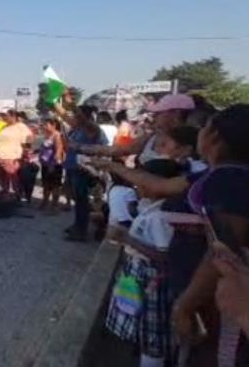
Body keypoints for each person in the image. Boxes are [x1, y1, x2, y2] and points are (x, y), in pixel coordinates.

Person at [90, 105, 249, 365]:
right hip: (200, 290)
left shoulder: (231, 179)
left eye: (206, 126)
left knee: (216, 353)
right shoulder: (215, 174)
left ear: (215, 137)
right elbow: (158, 184)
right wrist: (110, 166)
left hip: (221, 296)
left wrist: (184, 305)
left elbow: (222, 253)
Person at [105, 159, 187, 367]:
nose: (137, 185)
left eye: (142, 181)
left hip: (151, 279)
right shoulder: (154, 207)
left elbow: (165, 256)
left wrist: (126, 238)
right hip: (141, 274)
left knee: (152, 336)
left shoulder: (160, 217)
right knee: (142, 327)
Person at [78, 94, 195, 167]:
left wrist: (113, 167)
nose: (154, 116)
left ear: (175, 114)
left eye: (159, 113)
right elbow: (117, 150)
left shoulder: (193, 142)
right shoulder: (150, 138)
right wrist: (79, 147)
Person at [54, 91, 108, 241]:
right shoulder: (77, 128)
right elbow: (63, 114)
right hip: (74, 168)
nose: (73, 118)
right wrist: (53, 101)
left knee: (84, 202)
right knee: (79, 201)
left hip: (85, 171)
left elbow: (81, 119)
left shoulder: (92, 129)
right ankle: (78, 225)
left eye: (77, 116)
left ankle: (82, 231)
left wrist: (72, 104)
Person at [0, 110, 33, 199]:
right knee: (2, 177)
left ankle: (17, 196)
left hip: (11, 156)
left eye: (7, 116)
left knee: (12, 177)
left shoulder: (20, 126)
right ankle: (5, 193)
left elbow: (29, 137)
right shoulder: (4, 127)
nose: (4, 118)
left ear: (13, 116)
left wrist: (26, 150)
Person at [38, 118, 66, 212]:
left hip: (54, 164)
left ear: (53, 125)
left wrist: (53, 164)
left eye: (46, 125)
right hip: (45, 164)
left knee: (55, 185)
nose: (44, 127)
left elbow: (59, 150)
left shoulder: (57, 135)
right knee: (46, 184)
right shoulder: (47, 135)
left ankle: (55, 205)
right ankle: (45, 202)